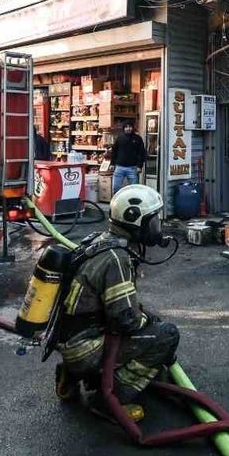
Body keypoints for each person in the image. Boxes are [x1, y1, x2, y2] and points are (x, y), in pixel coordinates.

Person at [52, 184, 179, 420]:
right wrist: (150, 322)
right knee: (166, 335)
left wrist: (145, 317)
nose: (157, 227)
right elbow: (127, 320)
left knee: (150, 322)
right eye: (153, 220)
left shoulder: (99, 241)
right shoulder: (116, 258)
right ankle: (110, 399)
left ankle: (71, 375)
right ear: (135, 220)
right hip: (86, 349)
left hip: (71, 341)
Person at [107, 119, 146, 193]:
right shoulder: (119, 138)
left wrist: (139, 166)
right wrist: (112, 163)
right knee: (116, 188)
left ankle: (133, 200)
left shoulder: (137, 138)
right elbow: (114, 151)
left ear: (133, 127)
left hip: (132, 168)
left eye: (130, 127)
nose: (128, 128)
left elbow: (141, 153)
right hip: (119, 167)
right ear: (124, 128)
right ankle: (117, 200)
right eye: (126, 127)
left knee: (134, 189)